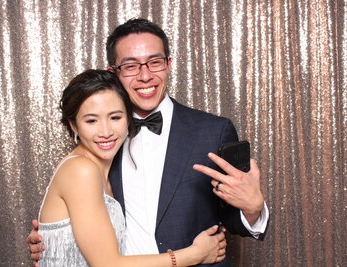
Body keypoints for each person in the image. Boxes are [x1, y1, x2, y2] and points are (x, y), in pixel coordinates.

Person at [28, 19, 269, 266]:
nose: (145, 76)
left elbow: (231, 217)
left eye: (155, 62)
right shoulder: (102, 143)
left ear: (168, 65)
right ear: (114, 73)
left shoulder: (214, 130)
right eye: (131, 66)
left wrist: (252, 209)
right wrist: (57, 241)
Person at [36, 69, 226, 266]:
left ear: (129, 117)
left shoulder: (105, 168)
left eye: (115, 117)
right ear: (74, 125)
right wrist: (194, 254)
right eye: (91, 120)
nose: (106, 132)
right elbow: (107, 264)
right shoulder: (81, 170)